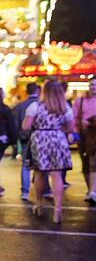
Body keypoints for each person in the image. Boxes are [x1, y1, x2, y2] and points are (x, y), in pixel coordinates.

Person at [23, 81, 74, 224]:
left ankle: (39, 204)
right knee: (56, 175)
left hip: (39, 140)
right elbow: (70, 128)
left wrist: (38, 125)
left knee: (39, 174)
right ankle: (57, 210)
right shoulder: (65, 107)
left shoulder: (35, 107)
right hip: (57, 139)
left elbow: (25, 126)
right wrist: (56, 128)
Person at [13, 83, 40, 201]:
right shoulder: (42, 104)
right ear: (38, 91)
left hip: (25, 138)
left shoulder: (20, 106)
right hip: (39, 138)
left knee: (25, 164)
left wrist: (18, 135)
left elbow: (16, 123)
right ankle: (45, 190)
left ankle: (25, 191)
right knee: (41, 166)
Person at [73, 78, 96, 202]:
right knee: (86, 164)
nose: (93, 87)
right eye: (92, 85)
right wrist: (76, 129)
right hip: (84, 136)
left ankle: (93, 190)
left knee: (94, 164)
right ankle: (90, 190)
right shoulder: (80, 101)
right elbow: (74, 117)